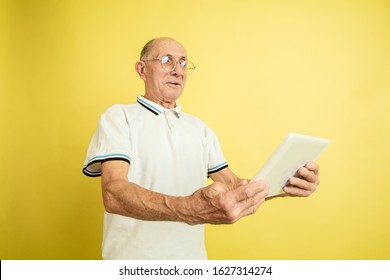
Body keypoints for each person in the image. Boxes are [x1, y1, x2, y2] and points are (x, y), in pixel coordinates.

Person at [82, 37, 320, 260]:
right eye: (167, 60)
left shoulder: (200, 129)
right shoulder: (118, 117)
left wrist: (283, 184)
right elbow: (113, 193)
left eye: (184, 63)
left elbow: (234, 186)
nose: (178, 70)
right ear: (142, 70)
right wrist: (186, 208)